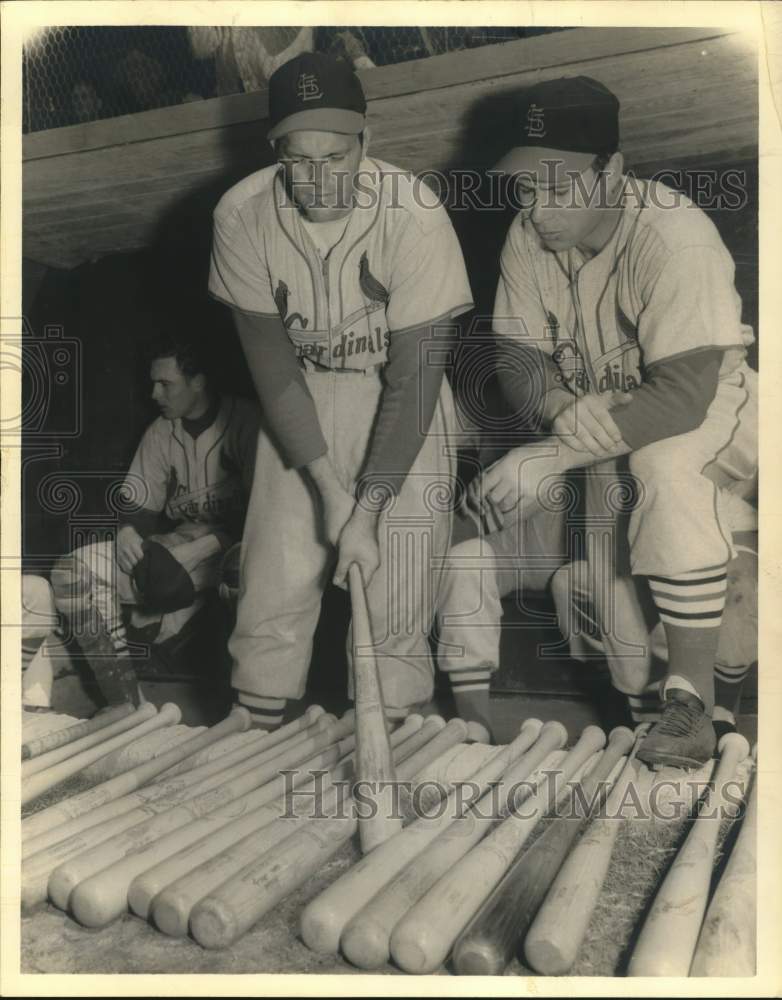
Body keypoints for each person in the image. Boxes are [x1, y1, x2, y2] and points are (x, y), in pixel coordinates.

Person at [436, 76, 757, 768]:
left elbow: (680, 398)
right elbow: (515, 354)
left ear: (612, 170)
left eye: (556, 187)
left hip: (727, 415)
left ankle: (693, 702)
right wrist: (556, 408)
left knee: (663, 467)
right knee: (570, 552)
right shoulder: (529, 234)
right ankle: (649, 708)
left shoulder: (677, 239)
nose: (536, 207)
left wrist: (548, 455)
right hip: (603, 425)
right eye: (525, 188)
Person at [209, 52, 474, 731]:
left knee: (396, 584)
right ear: (275, 152)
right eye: (299, 159)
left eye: (335, 156)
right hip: (303, 400)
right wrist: (331, 494)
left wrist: (368, 509)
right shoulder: (241, 216)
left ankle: (392, 742)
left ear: (367, 139)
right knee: (274, 576)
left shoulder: (414, 215)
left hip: (405, 400)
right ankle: (252, 738)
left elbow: (416, 380)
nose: (318, 179)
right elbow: (274, 372)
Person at [50, 336, 259, 707]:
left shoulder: (247, 423)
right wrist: (128, 531)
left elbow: (272, 516)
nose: (154, 393)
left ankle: (244, 706)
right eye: (153, 383)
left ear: (199, 381)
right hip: (177, 549)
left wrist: (212, 544)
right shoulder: (161, 432)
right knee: (72, 573)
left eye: (166, 384)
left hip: (245, 545)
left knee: (241, 573)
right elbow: (139, 509)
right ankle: (123, 698)